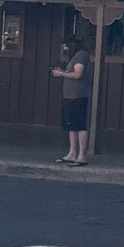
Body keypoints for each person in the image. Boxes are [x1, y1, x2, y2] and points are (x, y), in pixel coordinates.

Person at [52, 36, 93, 166]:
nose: (64, 48)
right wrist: (64, 71)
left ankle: (81, 155)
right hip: (70, 95)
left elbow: (78, 74)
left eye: (65, 46)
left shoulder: (80, 55)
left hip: (78, 95)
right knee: (71, 125)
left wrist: (61, 74)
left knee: (80, 125)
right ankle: (72, 153)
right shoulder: (76, 56)